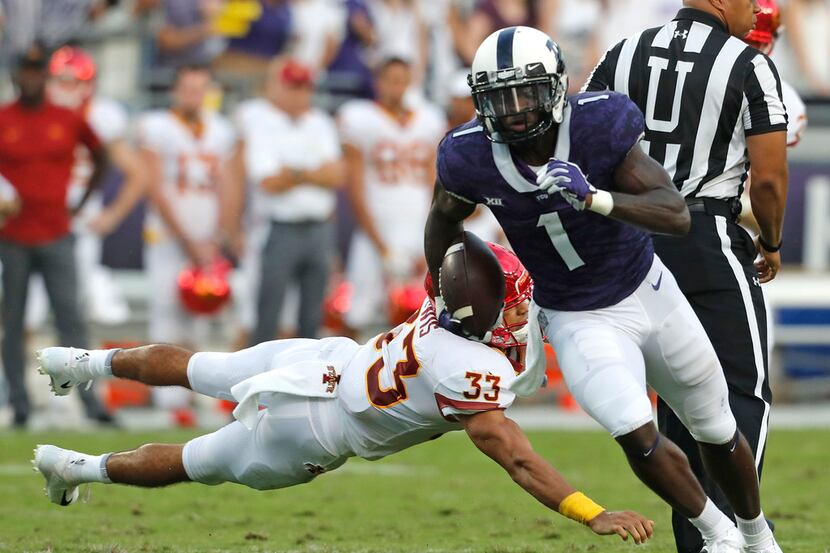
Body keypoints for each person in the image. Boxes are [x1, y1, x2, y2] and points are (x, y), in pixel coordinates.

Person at [33, 234, 654, 546]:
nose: (523, 311)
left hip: (325, 362)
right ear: (482, 316)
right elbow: (515, 455)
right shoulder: (467, 366)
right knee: (198, 462)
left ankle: (80, 361)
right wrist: (591, 512)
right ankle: (76, 468)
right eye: (512, 306)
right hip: (317, 431)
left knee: (202, 366)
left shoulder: (454, 305)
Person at [424, 26, 783, 553]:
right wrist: (443, 295)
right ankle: (720, 537)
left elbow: (676, 213)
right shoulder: (467, 154)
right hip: (574, 315)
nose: (516, 110)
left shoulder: (599, 123)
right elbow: (442, 222)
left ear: (555, 88)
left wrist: (595, 197)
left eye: (526, 92)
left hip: (648, 291)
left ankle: (757, 535)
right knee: (635, 431)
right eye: (501, 97)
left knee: (716, 425)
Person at [582, 2, 789, 551]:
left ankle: (702, 537)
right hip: (705, 239)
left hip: (633, 242)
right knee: (740, 394)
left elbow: (583, 141)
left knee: (675, 397)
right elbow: (767, 179)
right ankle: (744, 531)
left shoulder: (620, 52)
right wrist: (770, 240)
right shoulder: (745, 63)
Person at [0, 44, 112, 428]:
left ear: (45, 77)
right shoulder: (3, 118)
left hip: (56, 232)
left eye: (37, 72)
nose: (30, 79)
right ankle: (20, 403)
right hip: (13, 237)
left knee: (71, 321)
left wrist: (80, 204)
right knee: (13, 322)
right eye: (25, 72)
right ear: (16, 76)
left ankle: (91, 402)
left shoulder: (66, 118)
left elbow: (103, 157)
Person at [239, 57, 345, 346]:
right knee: (268, 312)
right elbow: (269, 182)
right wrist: (313, 173)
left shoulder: (320, 122)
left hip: (319, 227)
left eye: (304, 88)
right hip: (280, 227)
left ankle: (305, 383)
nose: (300, 95)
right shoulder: (261, 122)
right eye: (293, 87)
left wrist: (294, 172)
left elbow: (338, 175)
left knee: (312, 315)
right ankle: (259, 380)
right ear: (278, 88)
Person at [339, 56, 446, 335]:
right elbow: (355, 187)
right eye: (391, 80)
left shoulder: (428, 119)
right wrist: (380, 244)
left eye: (402, 80)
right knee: (356, 311)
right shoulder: (361, 118)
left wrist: (432, 237)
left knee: (419, 315)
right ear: (379, 82)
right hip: (377, 225)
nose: (397, 87)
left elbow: (435, 183)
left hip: (416, 223)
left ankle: (405, 377)